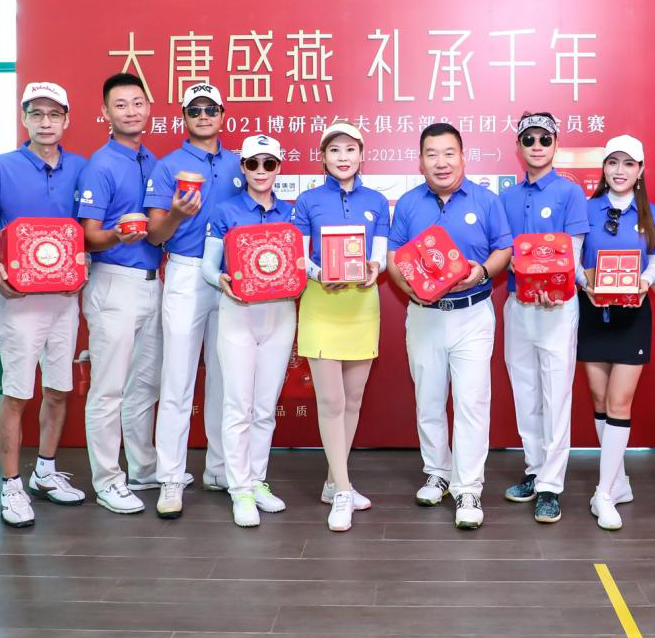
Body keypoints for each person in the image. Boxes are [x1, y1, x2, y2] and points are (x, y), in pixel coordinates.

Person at [387, 122, 513, 530]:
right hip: (424, 315)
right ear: (420, 161)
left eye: (448, 153)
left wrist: (481, 271)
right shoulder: (408, 203)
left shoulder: (486, 200)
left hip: (472, 314)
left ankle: (468, 488)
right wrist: (409, 287)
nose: (441, 162)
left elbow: (504, 249)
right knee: (428, 398)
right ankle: (437, 473)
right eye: (432, 154)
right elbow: (393, 257)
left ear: (463, 156)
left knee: (472, 402)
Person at [0, 82, 88, 528]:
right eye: (36, 113)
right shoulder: (1, 166)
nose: (45, 122)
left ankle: (44, 470)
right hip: (20, 298)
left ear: (66, 120)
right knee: (17, 393)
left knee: (58, 389)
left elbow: (86, 228)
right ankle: (10, 484)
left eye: (54, 114)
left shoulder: (80, 167)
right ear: (24, 118)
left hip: (64, 297)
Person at [144, 82, 244, 518]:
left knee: (227, 376)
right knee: (178, 378)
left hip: (230, 275)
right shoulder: (168, 166)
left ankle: (220, 469)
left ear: (223, 114)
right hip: (186, 271)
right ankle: (171, 476)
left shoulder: (241, 163)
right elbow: (154, 235)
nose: (203, 116)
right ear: (184, 117)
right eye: (195, 110)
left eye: (210, 109)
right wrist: (177, 214)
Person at [291, 121, 390, 531]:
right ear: (323, 158)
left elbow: (380, 255)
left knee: (352, 400)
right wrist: (320, 274)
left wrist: (373, 269)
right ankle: (345, 491)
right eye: (334, 150)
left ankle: (334, 482)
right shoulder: (307, 200)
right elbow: (300, 258)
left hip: (362, 305)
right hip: (322, 304)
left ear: (362, 155)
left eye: (350, 149)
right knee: (331, 401)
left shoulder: (377, 201)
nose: (343, 157)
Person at [77, 73, 164, 514]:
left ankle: (143, 469)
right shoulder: (101, 164)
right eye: (121, 104)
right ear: (106, 113)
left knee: (145, 384)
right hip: (113, 281)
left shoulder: (153, 160)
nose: (131, 111)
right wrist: (118, 235)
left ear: (149, 107)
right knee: (109, 389)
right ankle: (108, 480)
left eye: (137, 103)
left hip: (152, 283)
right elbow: (88, 236)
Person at [200, 134, 297, 528]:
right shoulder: (225, 211)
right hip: (238, 312)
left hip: (280, 314)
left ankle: (257, 480)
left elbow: (301, 263)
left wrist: (328, 274)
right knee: (238, 405)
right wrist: (220, 280)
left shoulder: (290, 212)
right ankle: (239, 488)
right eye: (253, 163)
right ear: (242, 167)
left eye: (268, 164)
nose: (260, 171)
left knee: (264, 406)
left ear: (278, 168)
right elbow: (209, 266)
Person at [497, 112, 588, 524]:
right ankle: (535, 471)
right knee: (526, 393)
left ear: (555, 144)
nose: (537, 146)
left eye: (544, 139)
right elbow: (502, 253)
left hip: (557, 307)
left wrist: (559, 284)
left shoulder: (570, 193)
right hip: (518, 304)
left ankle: (551, 485)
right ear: (519, 147)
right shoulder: (506, 198)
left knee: (555, 397)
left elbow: (574, 253)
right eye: (529, 139)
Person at [577, 134, 655, 531]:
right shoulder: (586, 208)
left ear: (640, 170)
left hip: (633, 314)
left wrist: (644, 282)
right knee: (599, 399)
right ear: (603, 168)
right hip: (593, 311)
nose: (619, 170)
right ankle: (620, 481)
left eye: (628, 163)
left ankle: (603, 492)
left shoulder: (654, 215)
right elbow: (573, 257)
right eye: (613, 162)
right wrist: (587, 283)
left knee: (619, 401)